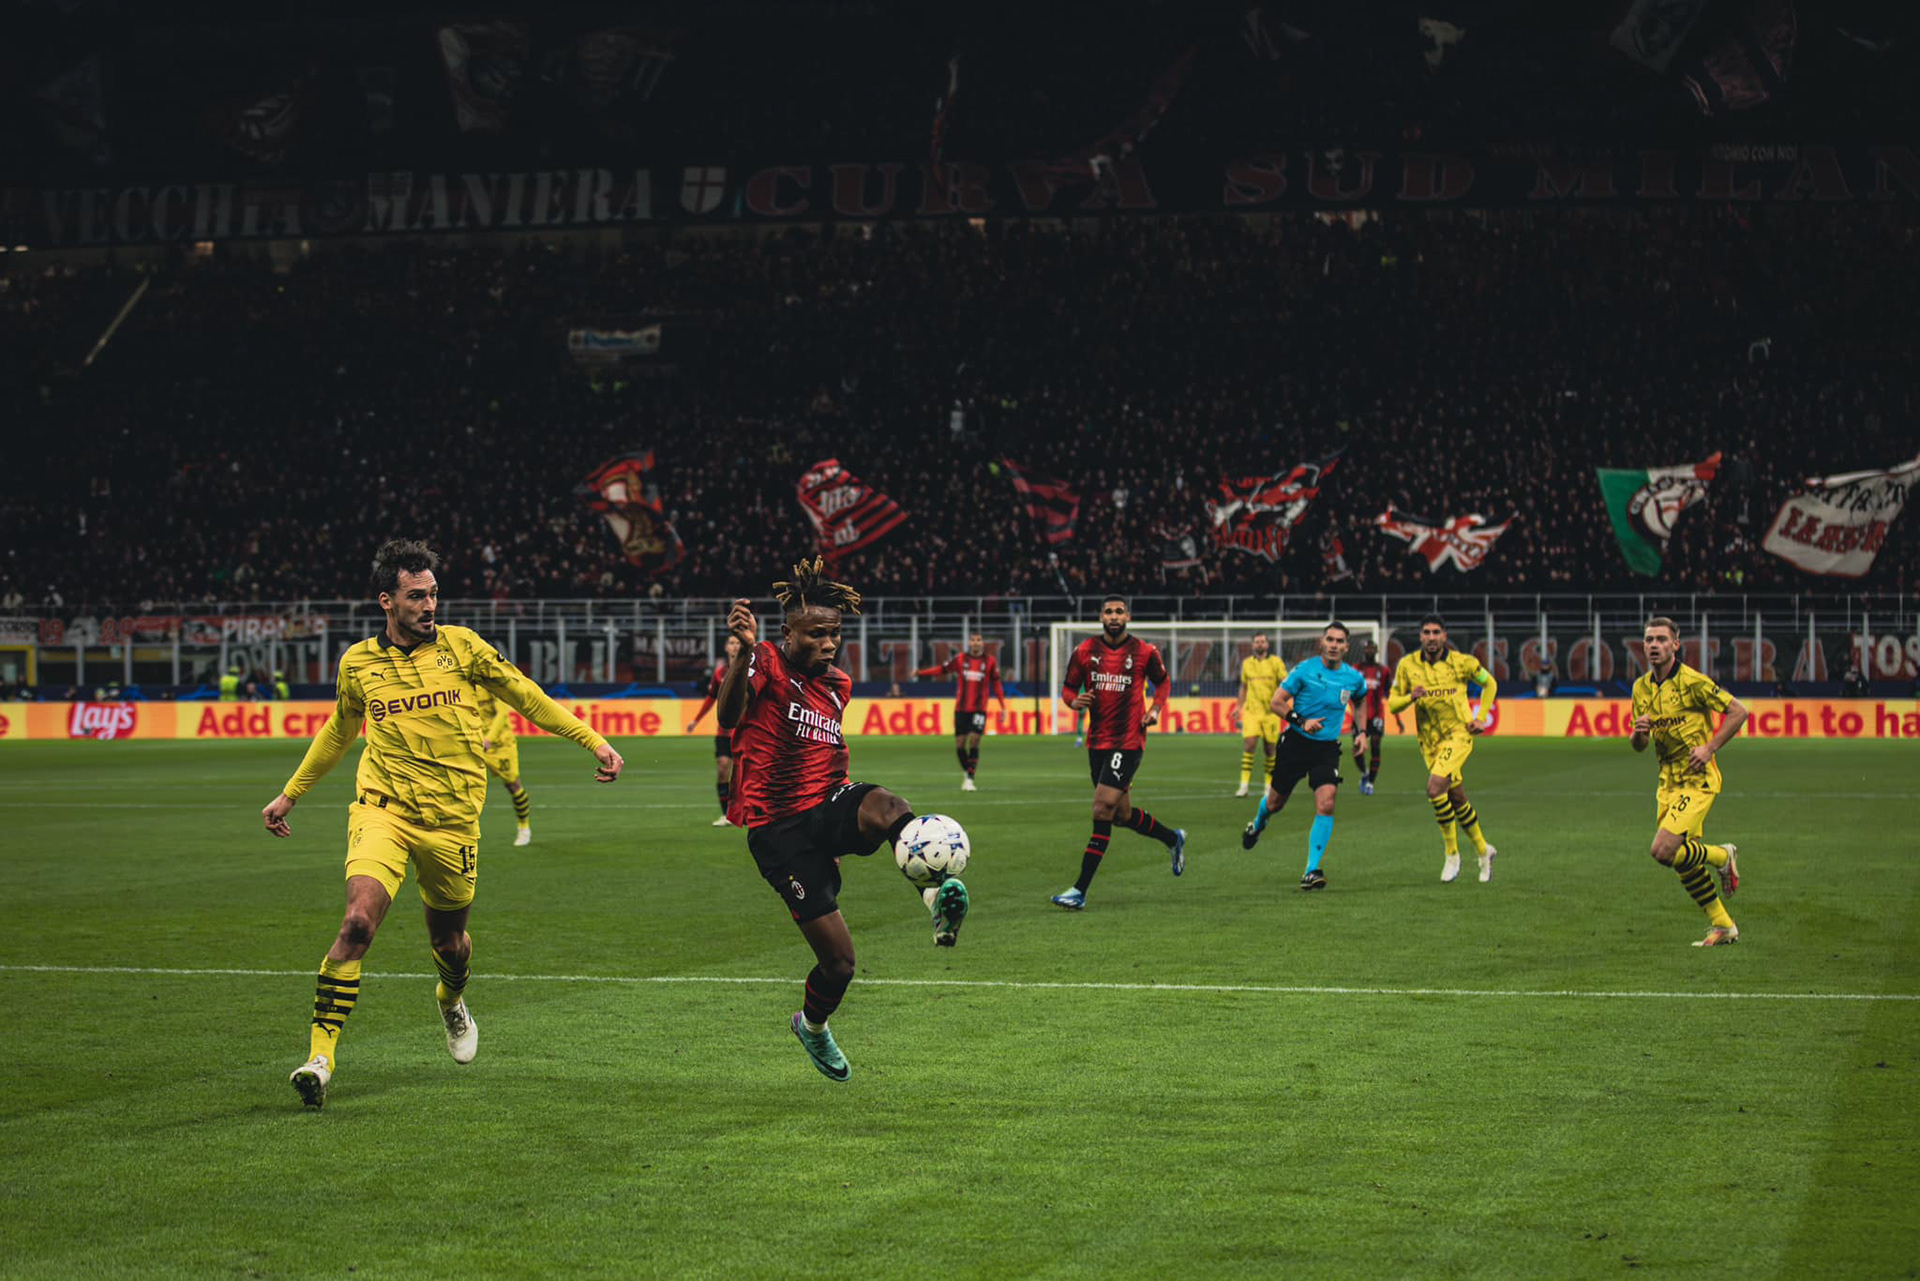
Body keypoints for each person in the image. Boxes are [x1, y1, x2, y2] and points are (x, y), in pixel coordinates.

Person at [261, 539, 624, 1109]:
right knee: (357, 923)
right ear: (387, 601)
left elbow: (526, 695)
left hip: (454, 823)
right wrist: (291, 793)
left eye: (433, 594)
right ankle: (319, 1059)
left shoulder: (464, 647)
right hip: (384, 810)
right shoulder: (357, 663)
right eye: (415, 596)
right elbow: (339, 732)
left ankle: (451, 1000)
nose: (429, 605)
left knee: (450, 944)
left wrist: (594, 740)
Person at [716, 556, 969, 1084]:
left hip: (827, 802)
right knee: (840, 965)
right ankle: (812, 1025)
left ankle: (935, 897)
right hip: (778, 829)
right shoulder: (764, 661)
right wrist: (740, 656)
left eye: (835, 633)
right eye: (817, 634)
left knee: (892, 808)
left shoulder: (838, 684)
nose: (829, 643)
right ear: (788, 633)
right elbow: (730, 717)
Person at [1049, 594, 1186, 910]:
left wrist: (1155, 709)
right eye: (1109, 611)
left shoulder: (1144, 651)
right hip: (1097, 742)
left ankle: (1079, 890)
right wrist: (1072, 702)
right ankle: (1172, 839)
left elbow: (1162, 683)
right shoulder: (1084, 652)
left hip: (1129, 741)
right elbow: (1069, 689)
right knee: (1121, 815)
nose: (1114, 616)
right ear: (1101, 617)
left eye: (1119, 611)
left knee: (1101, 809)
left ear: (1128, 617)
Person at [1631, 616, 1749, 947]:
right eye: (1649, 640)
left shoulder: (1693, 682)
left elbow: (1738, 711)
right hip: (1667, 784)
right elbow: (1638, 746)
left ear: (1675, 645)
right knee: (1683, 862)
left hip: (1697, 780)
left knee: (1663, 850)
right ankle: (1723, 925)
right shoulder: (1640, 688)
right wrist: (1638, 734)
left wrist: (1710, 748)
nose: (1653, 645)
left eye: (1661, 639)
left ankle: (1722, 857)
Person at [1240, 623, 1367, 890]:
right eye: (1329, 639)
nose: (1333, 645)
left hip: (1326, 748)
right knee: (1275, 804)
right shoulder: (1305, 670)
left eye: (1339, 641)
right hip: (1296, 743)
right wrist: (1301, 720)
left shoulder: (1353, 678)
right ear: (1322, 643)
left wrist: (1361, 731)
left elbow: (1361, 700)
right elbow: (1276, 702)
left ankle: (1311, 870)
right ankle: (1257, 825)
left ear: (1346, 646)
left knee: (1327, 802)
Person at [1388, 615, 1499, 884]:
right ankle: (1484, 850)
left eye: (1436, 632)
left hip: (1458, 735)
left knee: (1435, 788)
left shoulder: (1462, 663)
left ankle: (1452, 855)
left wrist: (1480, 716)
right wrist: (1409, 698)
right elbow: (1392, 704)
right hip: (1430, 742)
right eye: (1426, 632)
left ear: (1444, 636)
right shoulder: (1407, 666)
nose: (1431, 637)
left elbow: (1490, 683)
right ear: (1420, 636)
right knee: (1457, 798)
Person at [915, 632, 1008, 790]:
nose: (976, 643)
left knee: (974, 739)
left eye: (978, 640)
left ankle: (970, 778)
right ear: (969, 643)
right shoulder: (960, 660)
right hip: (961, 709)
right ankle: (967, 771)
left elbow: (997, 685)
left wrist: (1002, 706)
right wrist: (920, 673)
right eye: (973, 640)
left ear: (982, 643)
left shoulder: (990, 662)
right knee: (959, 744)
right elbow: (942, 670)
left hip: (979, 709)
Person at [686, 633, 747, 825]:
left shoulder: (751, 671)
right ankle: (727, 814)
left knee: (745, 774)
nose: (735, 646)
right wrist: (696, 721)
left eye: (738, 643)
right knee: (722, 768)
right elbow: (711, 699)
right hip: (724, 732)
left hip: (746, 732)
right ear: (726, 648)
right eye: (731, 643)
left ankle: (747, 812)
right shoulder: (720, 673)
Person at [470, 679, 534, 845]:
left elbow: (502, 713)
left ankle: (524, 827)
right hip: (473, 742)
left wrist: (489, 739)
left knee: (512, 785)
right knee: (463, 783)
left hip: (499, 744)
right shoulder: (464, 684)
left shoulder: (493, 685)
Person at [1234, 631, 1286, 797]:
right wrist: (1238, 706)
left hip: (1271, 712)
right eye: (1256, 642)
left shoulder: (1276, 662)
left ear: (1267, 644)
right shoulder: (1247, 663)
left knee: (1270, 749)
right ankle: (1244, 786)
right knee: (1249, 745)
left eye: (1262, 642)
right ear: (1252, 645)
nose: (1259, 645)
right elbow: (1243, 686)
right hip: (1252, 711)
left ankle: (1268, 786)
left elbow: (1285, 684)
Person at [1351, 640, 1394, 795]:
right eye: (1367, 648)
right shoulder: (1355, 670)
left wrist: (1398, 718)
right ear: (1364, 650)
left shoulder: (1384, 671)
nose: (1369, 651)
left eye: (1372, 648)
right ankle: (1364, 773)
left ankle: (1370, 783)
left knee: (1375, 746)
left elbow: (1389, 693)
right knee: (1357, 748)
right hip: (1359, 715)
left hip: (1376, 715)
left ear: (1376, 651)